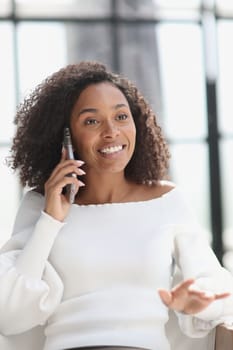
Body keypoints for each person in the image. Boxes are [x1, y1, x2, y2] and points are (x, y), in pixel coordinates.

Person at [0, 61, 233, 350]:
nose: (111, 131)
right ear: (65, 137)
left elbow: (216, 286)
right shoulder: (41, 205)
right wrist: (51, 220)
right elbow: (9, 315)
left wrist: (198, 304)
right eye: (91, 121)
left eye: (121, 117)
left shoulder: (166, 201)